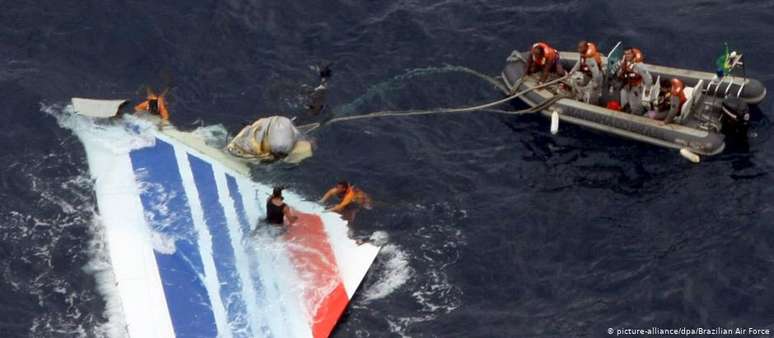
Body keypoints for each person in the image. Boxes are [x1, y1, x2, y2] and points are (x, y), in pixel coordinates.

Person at [616, 48, 652, 115]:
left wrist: (647, 90)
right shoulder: (623, 63)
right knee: (624, 104)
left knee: (635, 108)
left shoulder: (639, 65)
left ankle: (641, 113)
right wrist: (620, 69)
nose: (627, 55)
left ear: (633, 54)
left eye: (629, 54)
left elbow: (648, 79)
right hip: (625, 87)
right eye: (625, 54)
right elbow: (618, 75)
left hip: (636, 88)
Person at [569, 41, 604, 105]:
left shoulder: (590, 58)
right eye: (578, 47)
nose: (578, 49)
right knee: (582, 83)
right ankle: (580, 97)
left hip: (596, 76)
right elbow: (579, 63)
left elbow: (596, 72)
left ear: (586, 47)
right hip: (587, 74)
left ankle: (593, 105)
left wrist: (595, 83)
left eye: (580, 48)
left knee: (594, 94)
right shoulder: (583, 54)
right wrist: (572, 72)